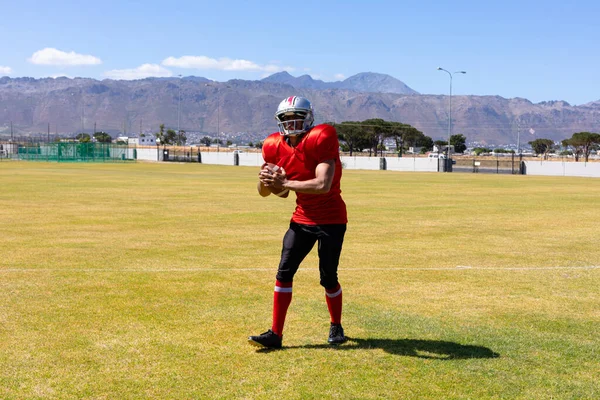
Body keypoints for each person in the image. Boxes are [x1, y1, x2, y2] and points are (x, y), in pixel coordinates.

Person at [248, 96, 348, 349]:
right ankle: (275, 334)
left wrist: (285, 183)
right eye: (286, 118)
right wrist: (265, 180)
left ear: (308, 118)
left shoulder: (321, 138)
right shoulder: (273, 146)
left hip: (331, 219)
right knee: (284, 272)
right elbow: (273, 193)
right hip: (302, 217)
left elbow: (322, 185)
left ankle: (336, 325)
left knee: (328, 277)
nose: (291, 122)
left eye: (297, 117)